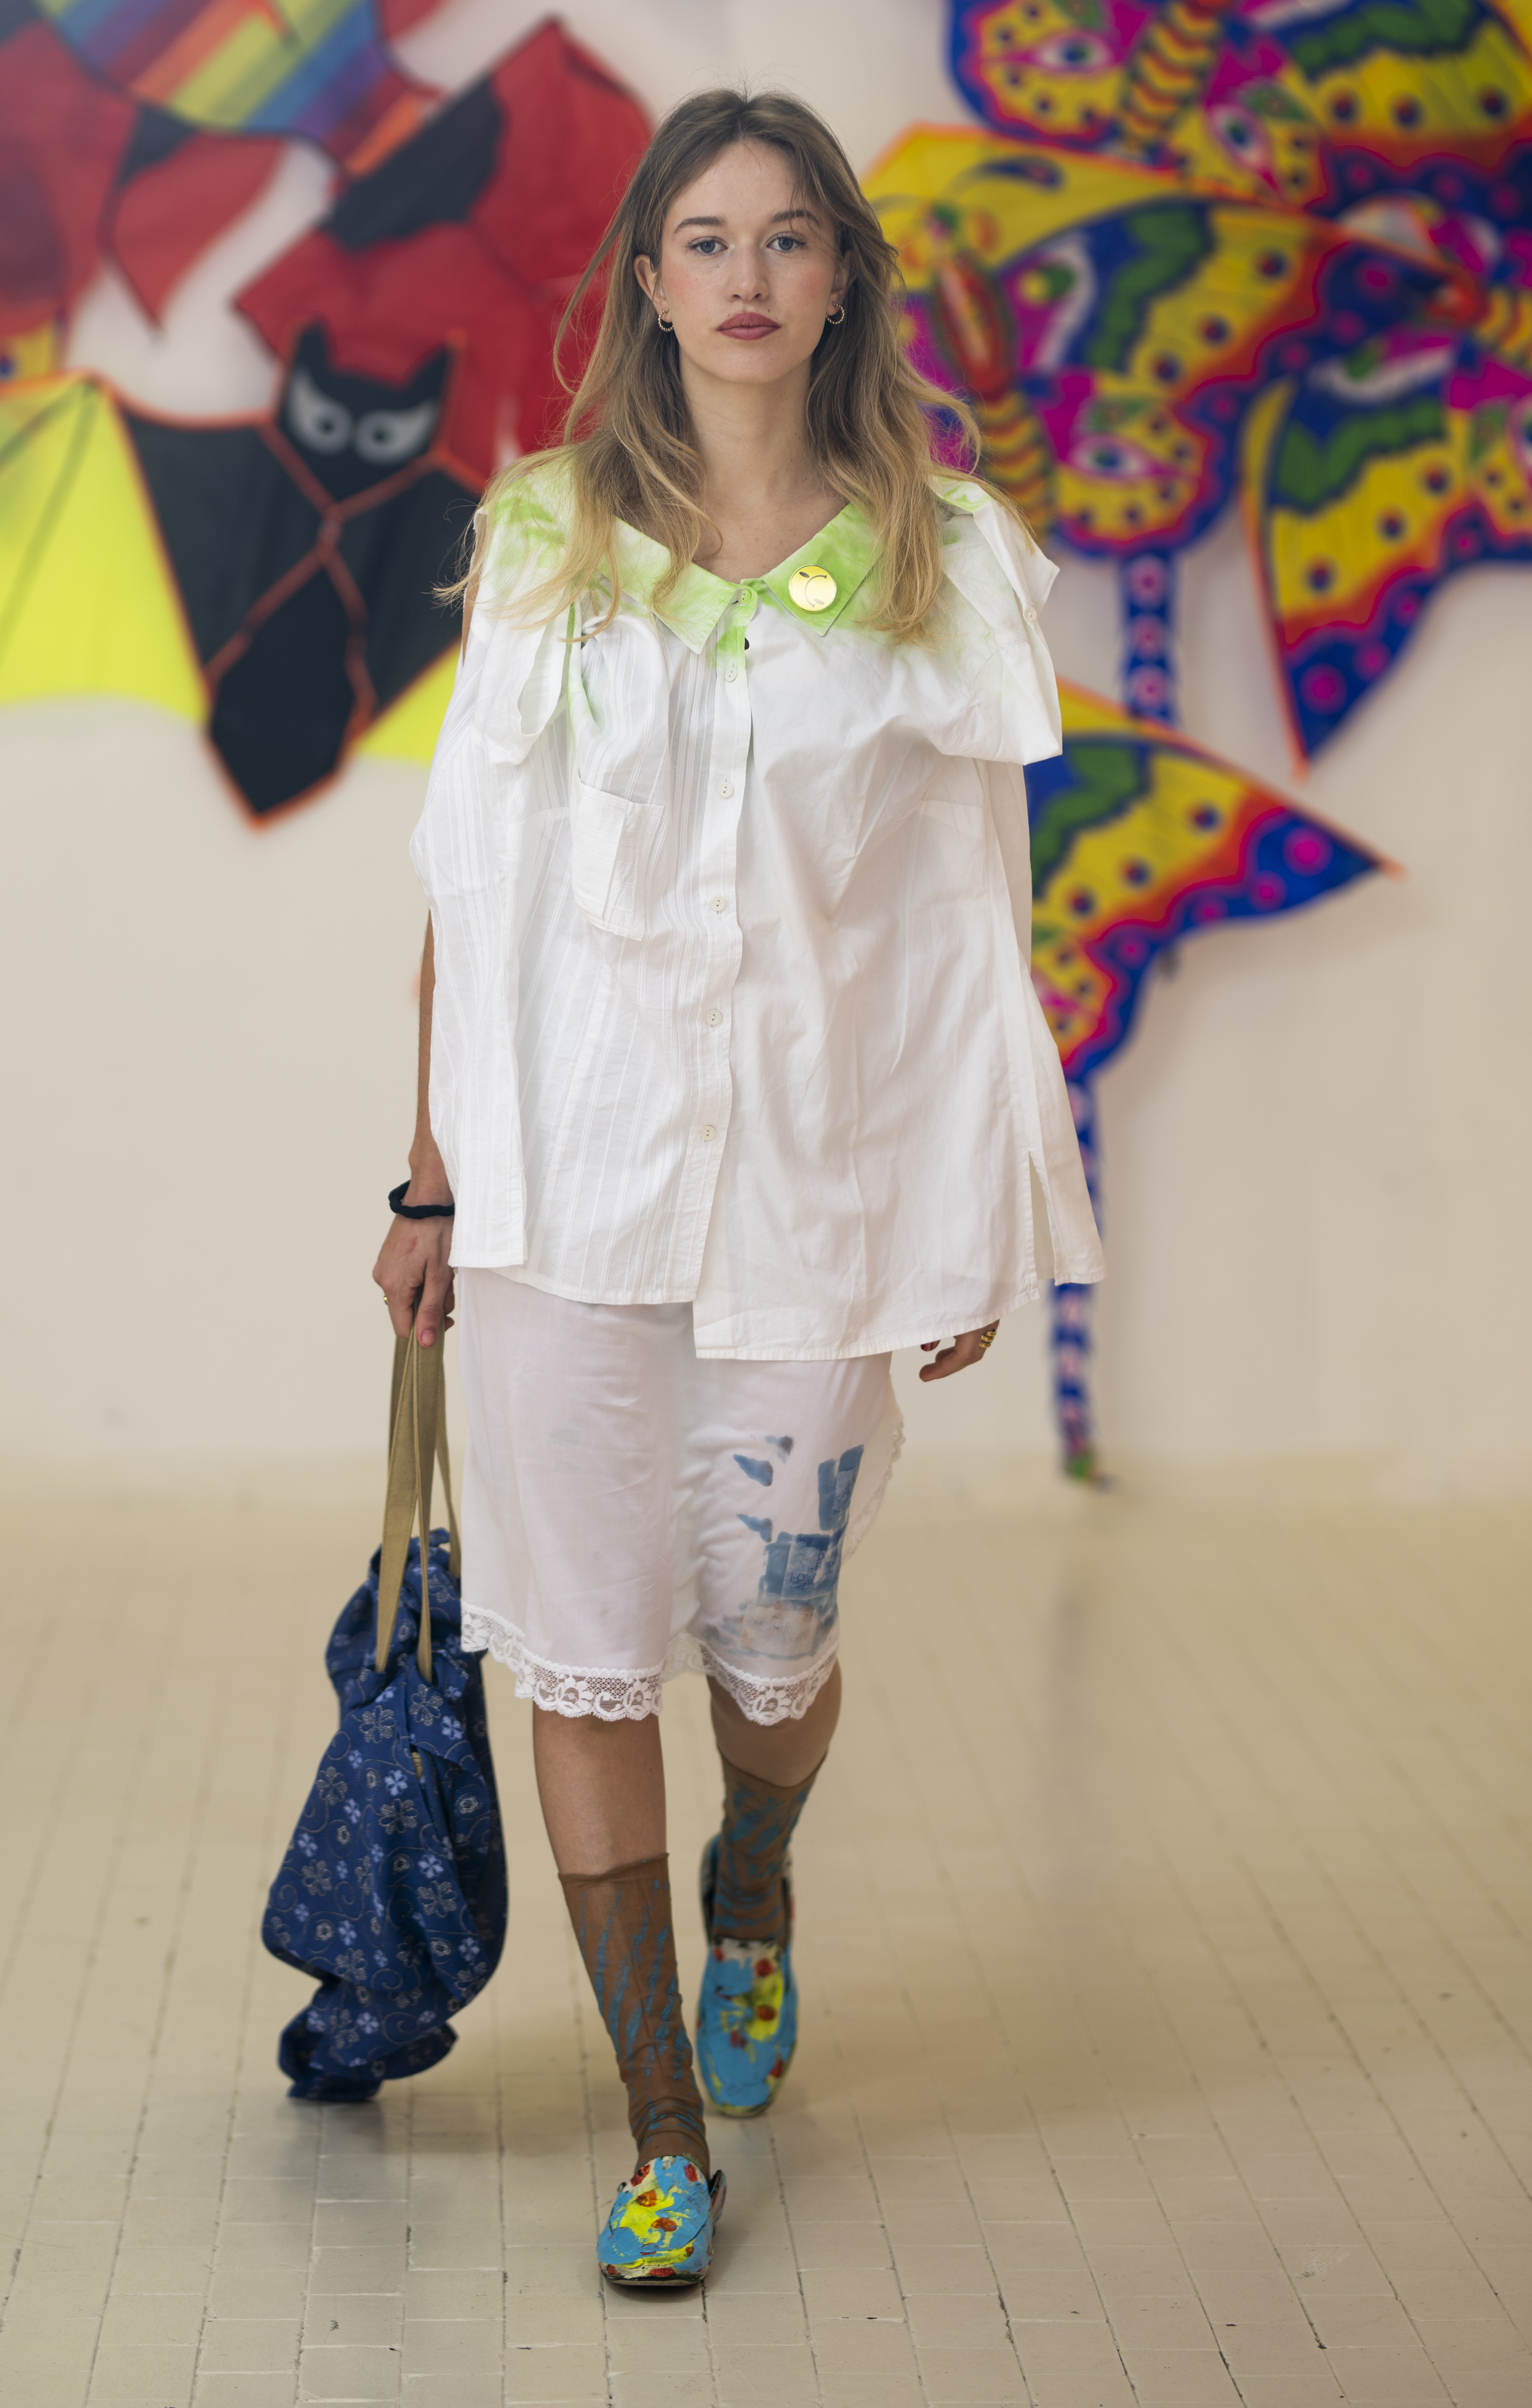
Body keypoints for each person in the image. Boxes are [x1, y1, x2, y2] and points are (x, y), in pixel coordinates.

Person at [373, 86, 1102, 2288]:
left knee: (772, 1646)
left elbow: (967, 914)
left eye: (789, 237)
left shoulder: (939, 555)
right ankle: (661, 2126)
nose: (750, 276)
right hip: (567, 1189)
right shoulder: (544, 537)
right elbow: (471, 878)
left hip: (820, 1191)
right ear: (650, 283)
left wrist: (975, 1206)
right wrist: (426, 1182)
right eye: (707, 239)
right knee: (587, 1657)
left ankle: (754, 1883)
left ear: (841, 276)